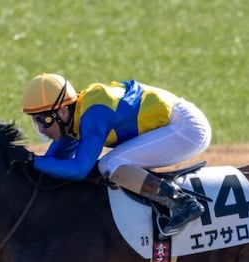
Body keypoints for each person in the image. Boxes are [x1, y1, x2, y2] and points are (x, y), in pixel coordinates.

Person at [21, 73, 212, 237]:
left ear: (62, 111)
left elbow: (79, 169)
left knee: (109, 165)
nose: (41, 129)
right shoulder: (72, 118)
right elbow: (54, 161)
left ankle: (182, 203)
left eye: (42, 120)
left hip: (186, 128)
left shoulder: (93, 115)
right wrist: (24, 162)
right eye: (35, 122)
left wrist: (31, 159)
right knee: (108, 164)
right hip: (175, 123)